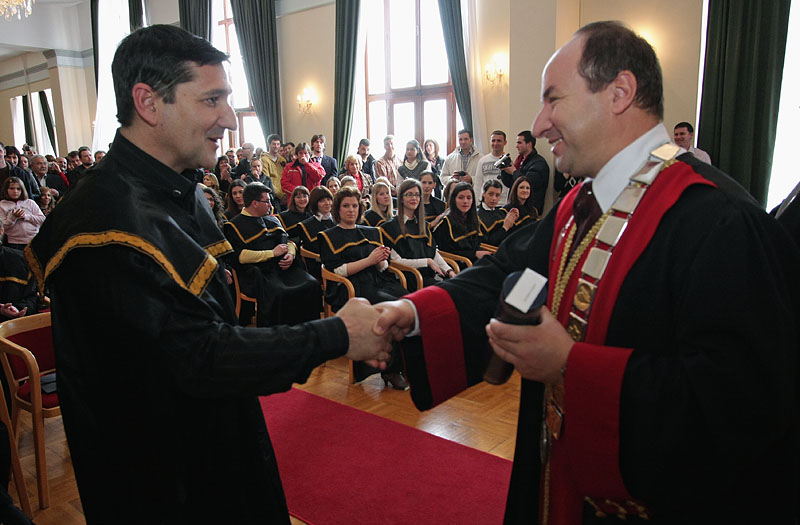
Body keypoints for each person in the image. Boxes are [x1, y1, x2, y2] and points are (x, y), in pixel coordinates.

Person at [373, 21, 799, 524]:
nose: (540, 123)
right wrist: (409, 312)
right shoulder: (580, 204)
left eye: (553, 99)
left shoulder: (719, 220)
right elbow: (507, 274)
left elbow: (741, 404)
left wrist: (570, 367)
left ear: (620, 92)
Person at [25, 25, 392, 524]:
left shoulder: (178, 187)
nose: (229, 119)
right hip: (162, 482)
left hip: (215, 439)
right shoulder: (104, 223)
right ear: (148, 102)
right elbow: (200, 356)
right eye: (211, 100)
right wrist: (336, 334)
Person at [318, 186, 408, 389]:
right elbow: (338, 271)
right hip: (350, 288)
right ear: (337, 209)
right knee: (390, 310)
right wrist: (369, 260)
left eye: (354, 206)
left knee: (408, 304)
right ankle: (390, 370)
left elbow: (383, 268)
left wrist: (381, 260)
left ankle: (406, 363)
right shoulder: (328, 235)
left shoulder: (372, 231)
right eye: (346, 206)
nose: (351, 210)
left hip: (378, 280)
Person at [224, 183, 320, 327]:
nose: (270, 205)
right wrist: (272, 253)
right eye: (267, 201)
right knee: (280, 293)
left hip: (284, 268)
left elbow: (288, 242)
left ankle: (308, 331)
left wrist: (291, 254)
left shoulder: (272, 219)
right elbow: (240, 256)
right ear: (255, 203)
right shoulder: (233, 226)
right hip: (259, 273)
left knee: (311, 284)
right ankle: (281, 334)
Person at [380, 179, 454, 291]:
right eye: (409, 194)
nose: (414, 198)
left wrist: (449, 271)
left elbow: (433, 253)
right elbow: (396, 262)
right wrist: (427, 262)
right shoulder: (390, 227)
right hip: (409, 278)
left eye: (417, 195)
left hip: (428, 276)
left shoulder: (423, 225)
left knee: (457, 286)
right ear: (401, 198)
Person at [432, 182, 491, 266]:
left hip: (475, 261)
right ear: (454, 200)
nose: (465, 201)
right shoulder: (446, 222)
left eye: (469, 198)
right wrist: (474, 254)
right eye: (461, 197)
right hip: (458, 264)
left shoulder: (474, 218)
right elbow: (445, 253)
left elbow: (484, 241)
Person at [499, 130, 550, 217]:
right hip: (516, 208)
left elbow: (529, 183)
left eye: (519, 143)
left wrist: (514, 172)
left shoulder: (539, 163)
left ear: (529, 144)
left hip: (530, 210)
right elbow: (510, 184)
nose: (516, 146)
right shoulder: (519, 161)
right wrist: (505, 170)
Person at [0, 223, 38, 321]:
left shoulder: (23, 261)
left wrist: (18, 309)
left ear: (0, 231)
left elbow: (32, 298)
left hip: (12, 324)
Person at [0, 177, 45, 250]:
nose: (15, 191)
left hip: (33, 240)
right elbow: (3, 226)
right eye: (12, 188)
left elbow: (42, 219)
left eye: (18, 189)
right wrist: (12, 218)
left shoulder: (30, 203)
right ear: (6, 190)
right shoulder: (2, 205)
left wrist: (25, 216)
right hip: (14, 242)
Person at [478, 179, 517, 248]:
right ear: (484, 194)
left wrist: (512, 219)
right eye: (490, 194)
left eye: (497, 195)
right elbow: (487, 242)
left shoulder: (501, 213)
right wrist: (505, 227)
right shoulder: (477, 216)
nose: (494, 198)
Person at [260, 133, 287, 206]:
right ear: (269, 144)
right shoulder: (264, 160)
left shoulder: (282, 160)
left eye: (278, 144)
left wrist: (285, 194)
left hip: (285, 194)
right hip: (273, 195)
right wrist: (280, 195)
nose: (276, 146)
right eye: (274, 144)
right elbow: (267, 179)